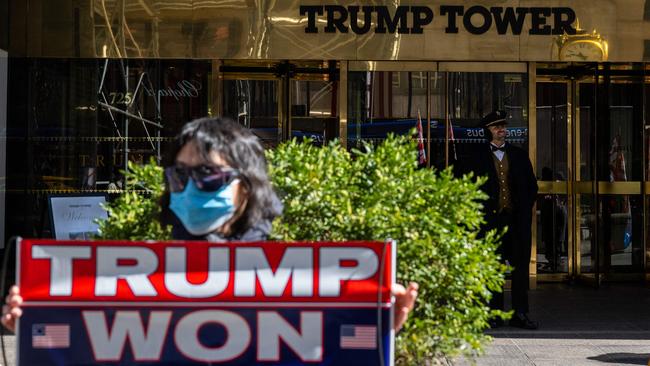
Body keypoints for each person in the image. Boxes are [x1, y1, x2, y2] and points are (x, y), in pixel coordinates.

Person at [2, 117, 418, 332]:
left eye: (209, 175)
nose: (191, 188)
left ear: (246, 188)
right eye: (180, 175)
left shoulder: (302, 279)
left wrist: (379, 327)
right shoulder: (131, 273)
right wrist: (45, 325)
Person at [460, 110, 539, 330]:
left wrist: (524, 210)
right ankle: (493, 314)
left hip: (516, 222)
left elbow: (532, 186)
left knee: (520, 270)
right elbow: (468, 188)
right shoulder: (475, 157)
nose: (502, 130)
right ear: (487, 131)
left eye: (503, 126)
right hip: (490, 223)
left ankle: (520, 313)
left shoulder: (519, 155)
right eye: (496, 127)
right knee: (493, 270)